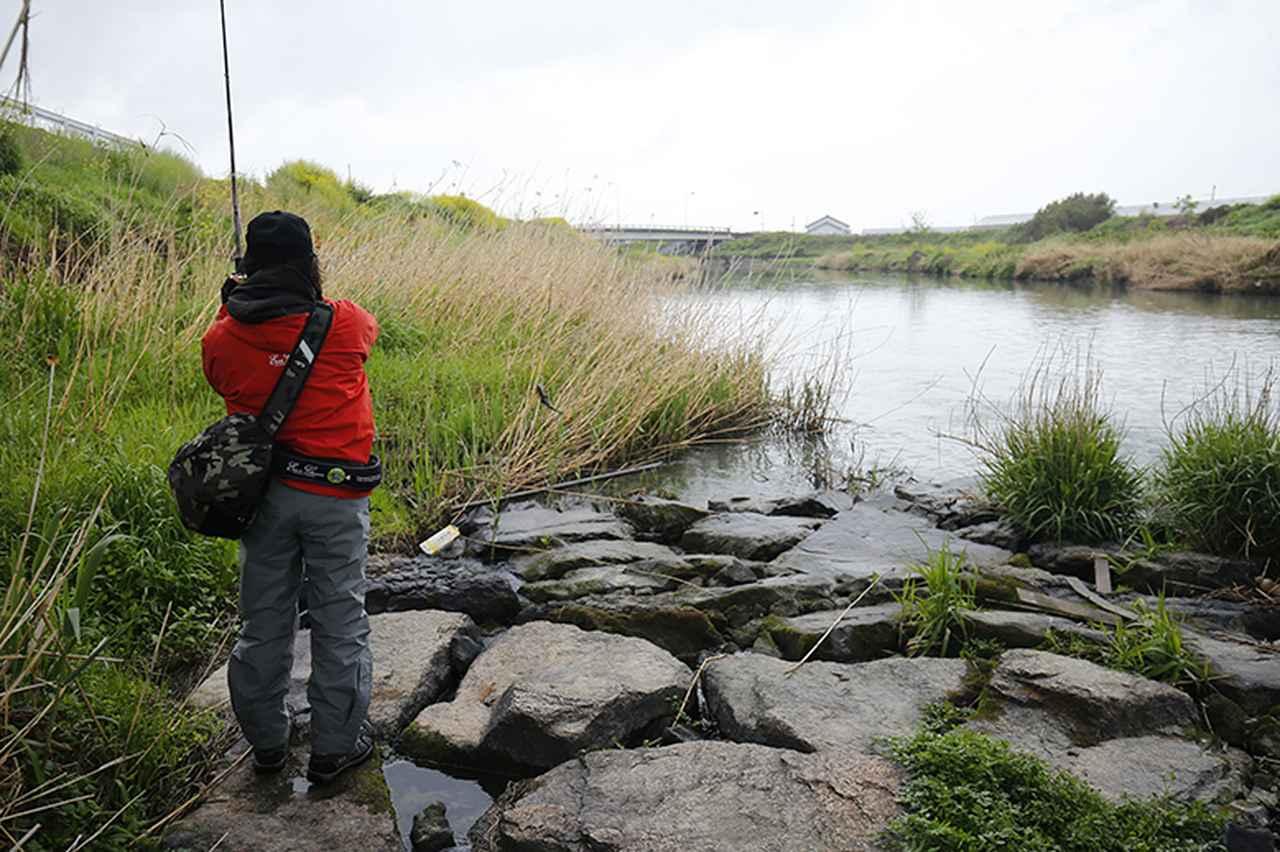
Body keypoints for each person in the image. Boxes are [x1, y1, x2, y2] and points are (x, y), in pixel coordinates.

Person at [201, 210, 380, 783]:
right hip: (336, 498)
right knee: (340, 620)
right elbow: (367, 334)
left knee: (264, 621)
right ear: (310, 263)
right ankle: (334, 748)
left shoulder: (222, 335)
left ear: (247, 266)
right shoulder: (346, 322)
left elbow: (222, 376)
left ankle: (268, 746)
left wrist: (234, 304)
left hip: (264, 500)